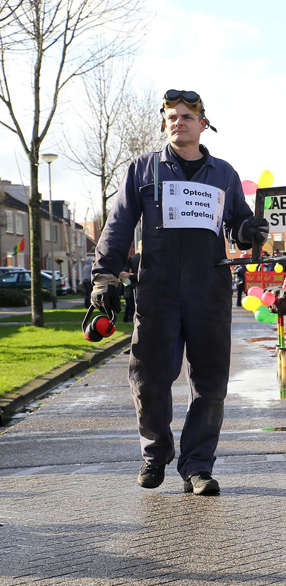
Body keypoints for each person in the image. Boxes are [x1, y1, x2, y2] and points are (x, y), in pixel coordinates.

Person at [91, 89, 268, 496]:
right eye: (172, 116)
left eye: (187, 116)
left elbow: (237, 225)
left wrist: (246, 231)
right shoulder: (142, 170)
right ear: (165, 123)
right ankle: (156, 453)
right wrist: (105, 277)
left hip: (209, 290)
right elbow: (119, 226)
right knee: (149, 378)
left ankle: (198, 467)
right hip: (159, 290)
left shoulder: (224, 174)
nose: (178, 122)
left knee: (210, 384)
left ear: (203, 125)